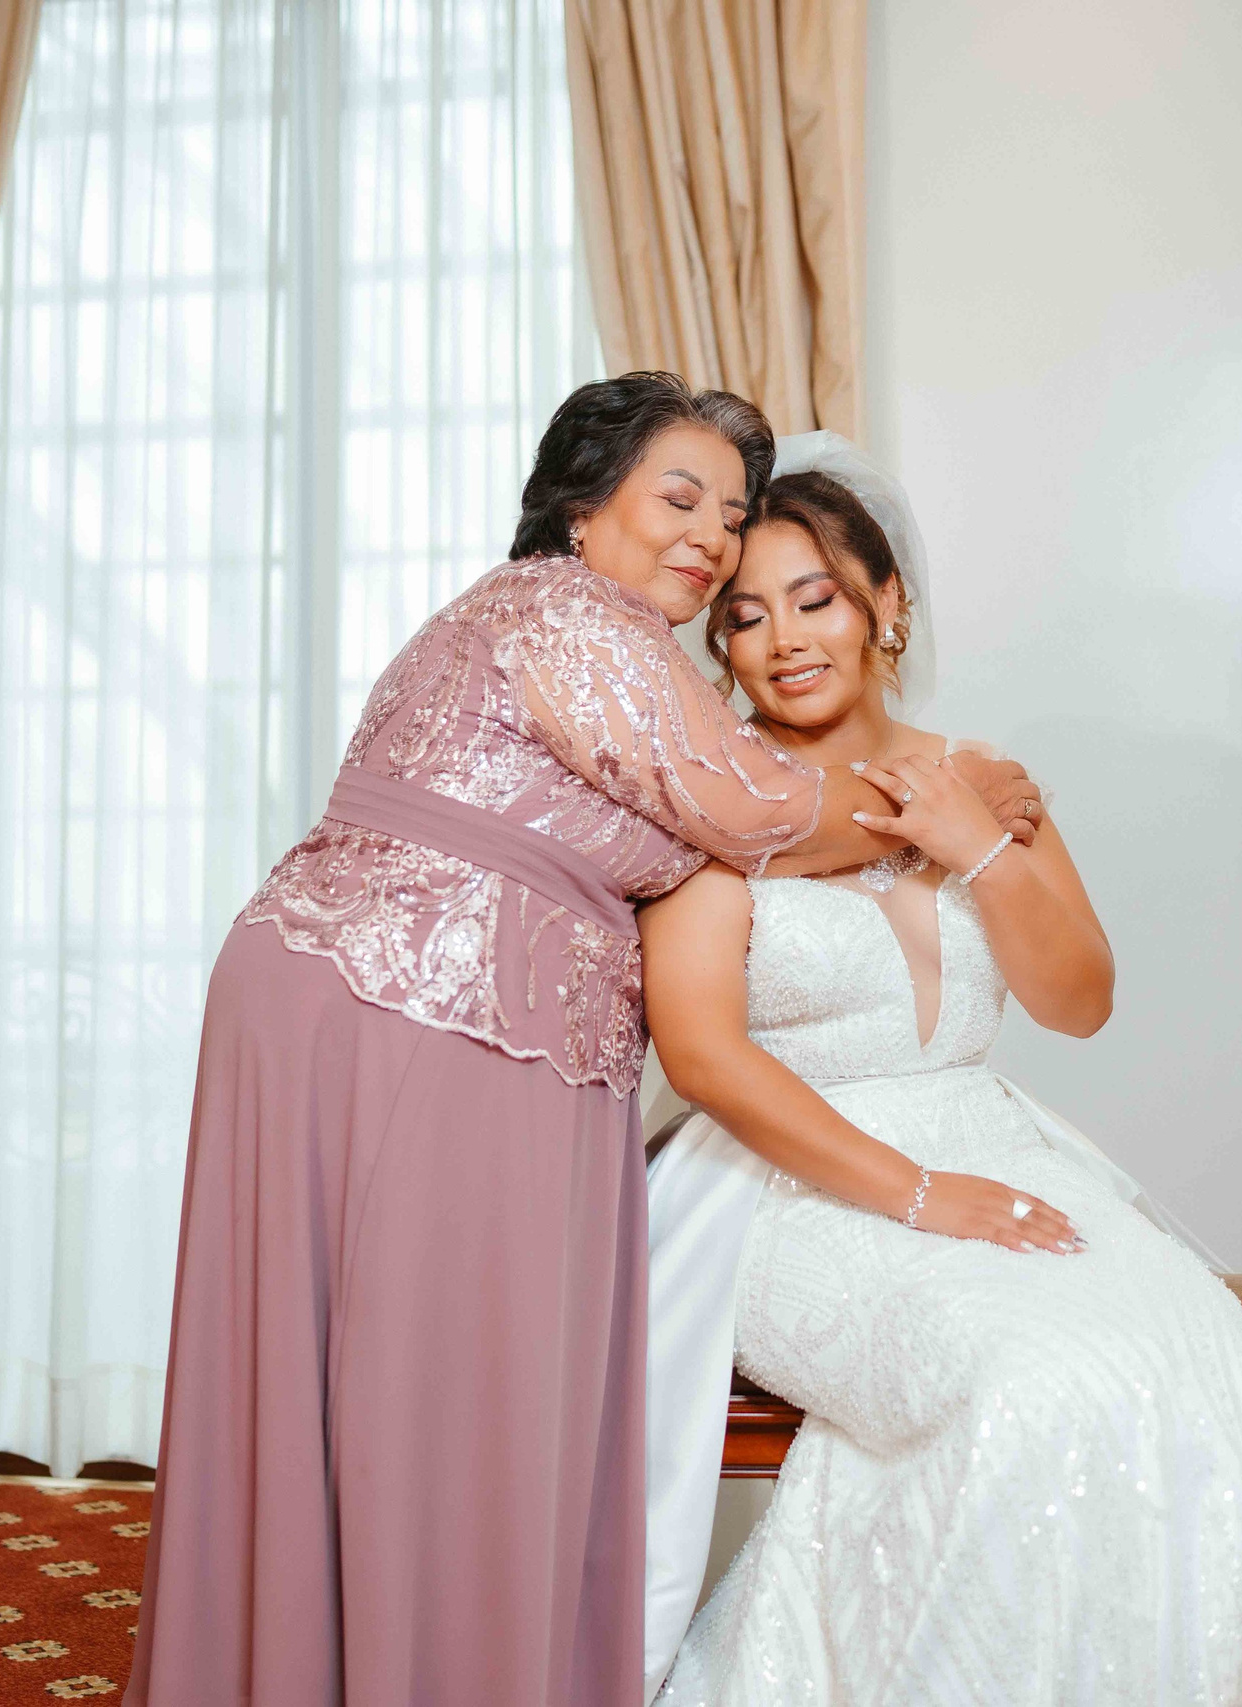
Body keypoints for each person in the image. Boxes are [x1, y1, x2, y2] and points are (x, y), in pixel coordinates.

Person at [124, 379, 1043, 1707]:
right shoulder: (568, 612)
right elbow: (754, 806)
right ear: (579, 498)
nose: (713, 540)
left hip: (403, 1001)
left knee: (399, 1399)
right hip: (414, 1000)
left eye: (731, 519)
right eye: (682, 499)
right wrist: (952, 800)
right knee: (435, 1402)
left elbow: (720, 817)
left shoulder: (610, 656)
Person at [638, 436, 1242, 1705]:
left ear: (887, 602)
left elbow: (1078, 1001)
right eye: (744, 617)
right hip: (776, 1182)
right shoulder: (713, 799)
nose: (781, 641)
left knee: (1192, 1342)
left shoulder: (977, 778)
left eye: (813, 599)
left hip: (991, 1135)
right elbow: (701, 1055)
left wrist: (976, 841)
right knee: (1023, 1378)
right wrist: (920, 1196)